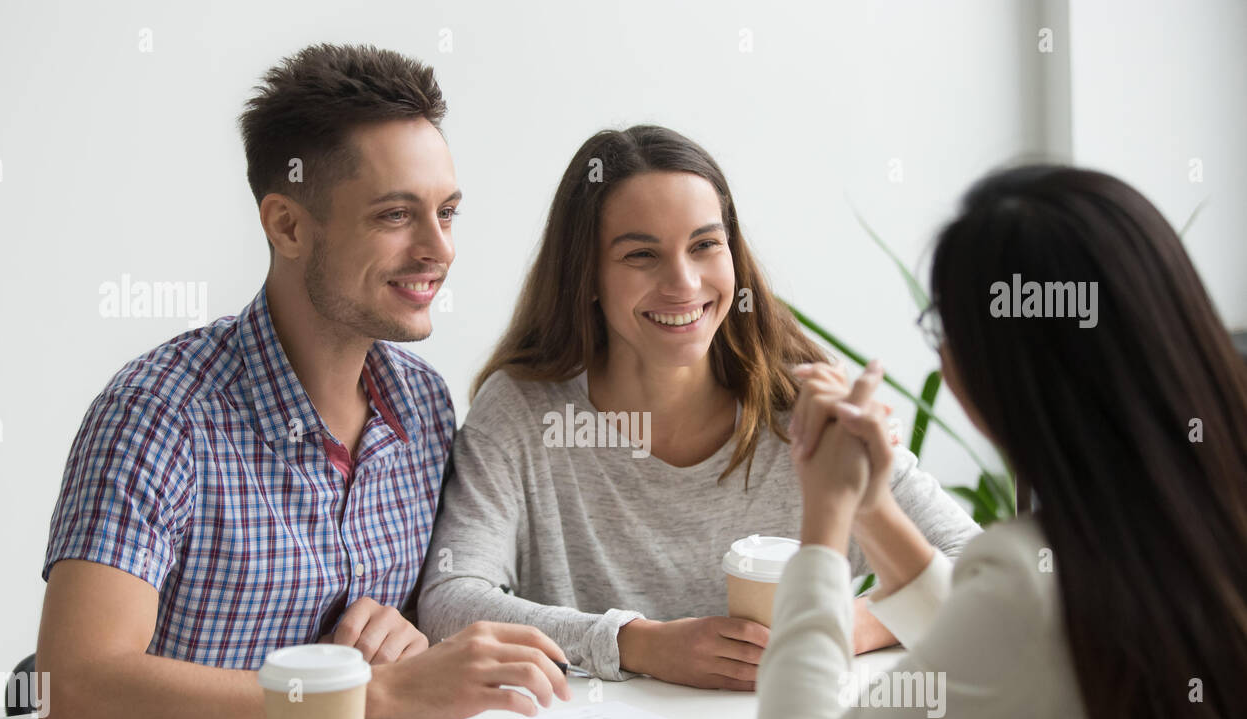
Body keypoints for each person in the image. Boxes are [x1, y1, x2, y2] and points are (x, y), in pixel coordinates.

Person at [36, 44, 570, 719]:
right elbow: (75, 698)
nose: (437, 249)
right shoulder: (158, 413)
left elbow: (411, 644)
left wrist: (405, 643)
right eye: (394, 217)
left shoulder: (424, 408)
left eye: (447, 212)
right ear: (287, 225)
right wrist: (374, 696)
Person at [755, 165, 1247, 719]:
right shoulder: (1187, 523)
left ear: (1001, 366)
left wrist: (824, 520)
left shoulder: (1037, 583)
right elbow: (1020, 656)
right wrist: (872, 508)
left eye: (942, 326)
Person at [417, 125, 981, 689]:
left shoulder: (801, 408)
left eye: (705, 245)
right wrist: (637, 644)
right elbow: (449, 600)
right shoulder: (524, 410)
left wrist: (845, 626)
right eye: (641, 254)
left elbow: (977, 570)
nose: (683, 283)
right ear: (586, 274)